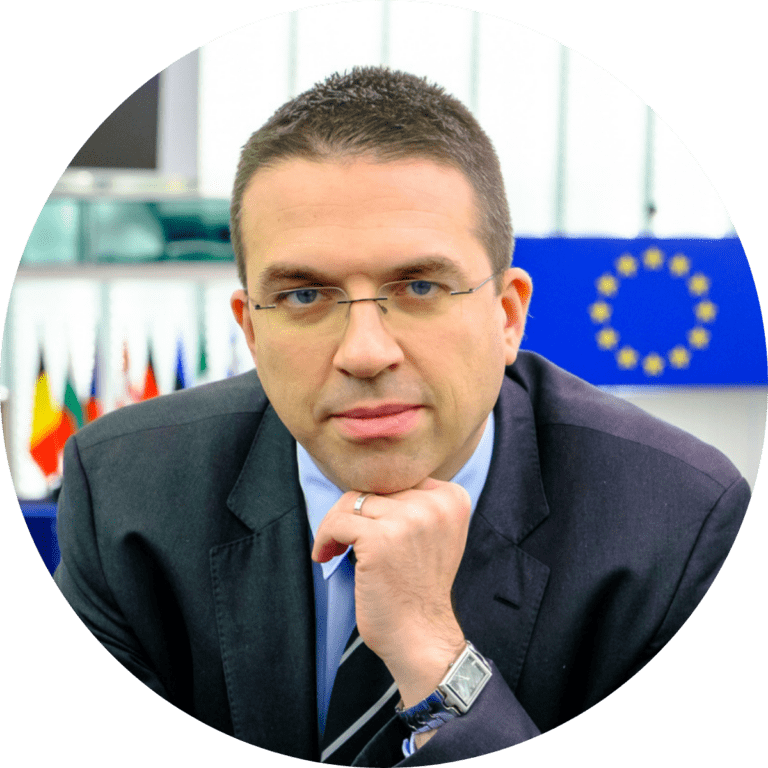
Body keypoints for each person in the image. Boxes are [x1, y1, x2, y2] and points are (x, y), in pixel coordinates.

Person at [54, 67, 750, 766]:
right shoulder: (125, 493)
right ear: (253, 331)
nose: (364, 353)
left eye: (419, 286)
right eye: (304, 296)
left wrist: (434, 657)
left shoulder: (679, 522)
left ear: (507, 316)